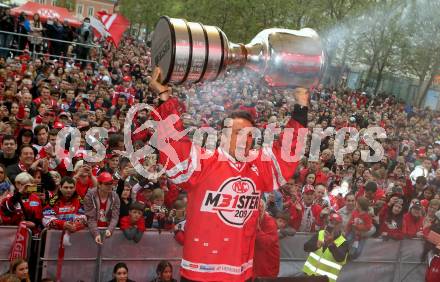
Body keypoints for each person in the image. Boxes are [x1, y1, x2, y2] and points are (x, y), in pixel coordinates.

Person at [149, 67, 308, 282]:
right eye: (237, 133)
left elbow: (289, 151)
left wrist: (301, 106)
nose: (245, 139)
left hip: (241, 273)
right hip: (200, 273)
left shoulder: (259, 165)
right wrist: (163, 96)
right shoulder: (204, 161)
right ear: (223, 137)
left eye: (250, 135)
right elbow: (174, 144)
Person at [303, 213, 349, 282]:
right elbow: (305, 247)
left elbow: (340, 259)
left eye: (336, 223)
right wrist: (315, 246)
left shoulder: (343, 241)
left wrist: (331, 244)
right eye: (331, 222)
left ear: (340, 226)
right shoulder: (321, 233)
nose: (333, 225)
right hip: (309, 275)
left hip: (326, 279)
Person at [84, 172, 120, 245]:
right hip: (91, 230)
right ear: (99, 185)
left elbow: (115, 217)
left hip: (107, 230)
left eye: (111, 183)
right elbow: (90, 217)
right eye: (106, 184)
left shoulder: (115, 197)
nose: (110, 186)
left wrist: (110, 229)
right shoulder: (90, 196)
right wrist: (96, 233)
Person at [253, 201, 279, 279]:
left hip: (266, 269)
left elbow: (265, 243)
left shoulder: (270, 222)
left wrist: (256, 229)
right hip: (253, 267)